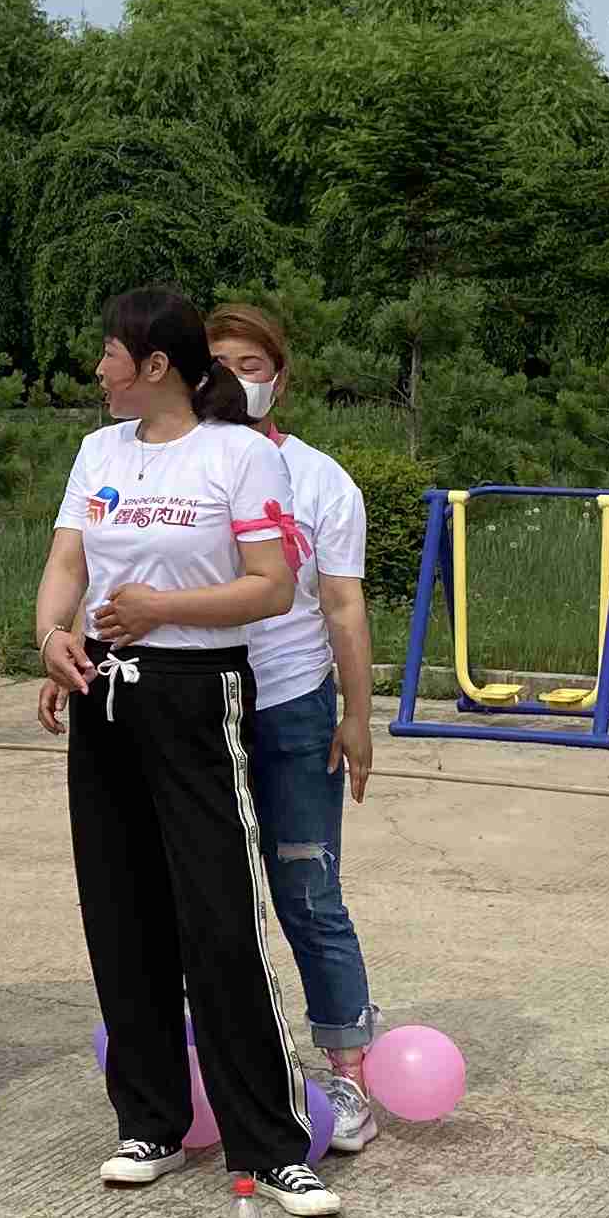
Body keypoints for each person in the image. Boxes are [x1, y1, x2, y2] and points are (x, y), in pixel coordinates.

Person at [33, 285, 344, 1218]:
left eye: (109, 354)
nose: (99, 369)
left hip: (198, 691)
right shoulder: (98, 451)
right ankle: (151, 1122)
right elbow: (67, 561)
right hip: (105, 691)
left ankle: (272, 1142)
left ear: (156, 365)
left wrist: (162, 609)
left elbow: (270, 587)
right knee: (120, 908)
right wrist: (53, 636)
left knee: (219, 915)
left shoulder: (241, 455)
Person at [203, 304, 383, 1152]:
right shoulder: (177, 466)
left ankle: (348, 1071)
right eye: (220, 363)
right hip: (197, 705)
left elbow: (342, 603)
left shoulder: (319, 480)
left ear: (280, 378)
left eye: (252, 365)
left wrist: (357, 713)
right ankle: (217, 1064)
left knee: (307, 890)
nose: (237, 379)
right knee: (203, 896)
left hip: (291, 706)